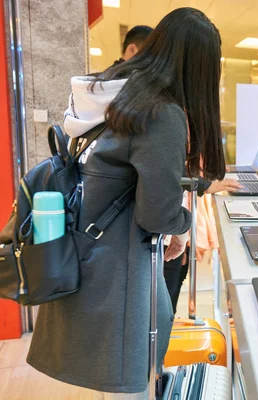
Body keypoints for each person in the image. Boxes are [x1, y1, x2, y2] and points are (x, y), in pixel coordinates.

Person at [26, 8, 225, 398]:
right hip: (121, 268)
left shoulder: (114, 96)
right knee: (131, 376)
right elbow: (156, 213)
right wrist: (182, 225)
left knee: (117, 377)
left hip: (88, 254)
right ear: (198, 67)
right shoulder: (162, 113)